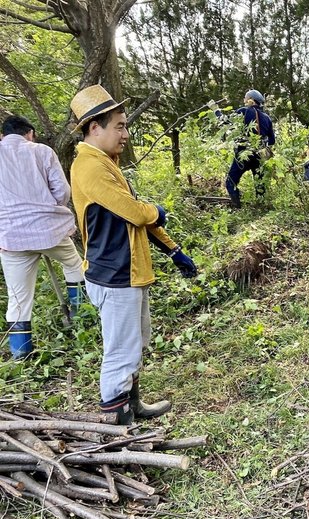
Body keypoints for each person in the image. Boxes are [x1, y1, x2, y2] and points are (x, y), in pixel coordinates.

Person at [69, 85, 197, 424]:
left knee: (136, 342)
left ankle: (134, 407)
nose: (126, 133)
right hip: (113, 273)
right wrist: (156, 210)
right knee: (121, 352)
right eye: (120, 126)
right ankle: (118, 426)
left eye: (126, 125)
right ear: (95, 127)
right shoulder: (89, 167)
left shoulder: (107, 163)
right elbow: (137, 212)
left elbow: (138, 219)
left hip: (129, 272)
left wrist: (174, 250)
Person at [0, 115, 85, 359]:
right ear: (30, 133)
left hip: (11, 236)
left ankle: (21, 356)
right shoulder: (41, 151)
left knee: (17, 297)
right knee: (73, 265)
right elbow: (62, 191)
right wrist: (48, 210)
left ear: (4, 135)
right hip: (49, 230)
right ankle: (80, 320)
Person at [207, 90, 275, 209]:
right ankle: (262, 208)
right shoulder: (267, 118)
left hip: (243, 154)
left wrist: (215, 110)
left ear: (251, 100)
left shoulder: (244, 111)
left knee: (230, 182)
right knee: (260, 184)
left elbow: (225, 122)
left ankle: (237, 206)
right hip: (260, 155)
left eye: (245, 97)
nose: (244, 100)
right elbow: (272, 140)